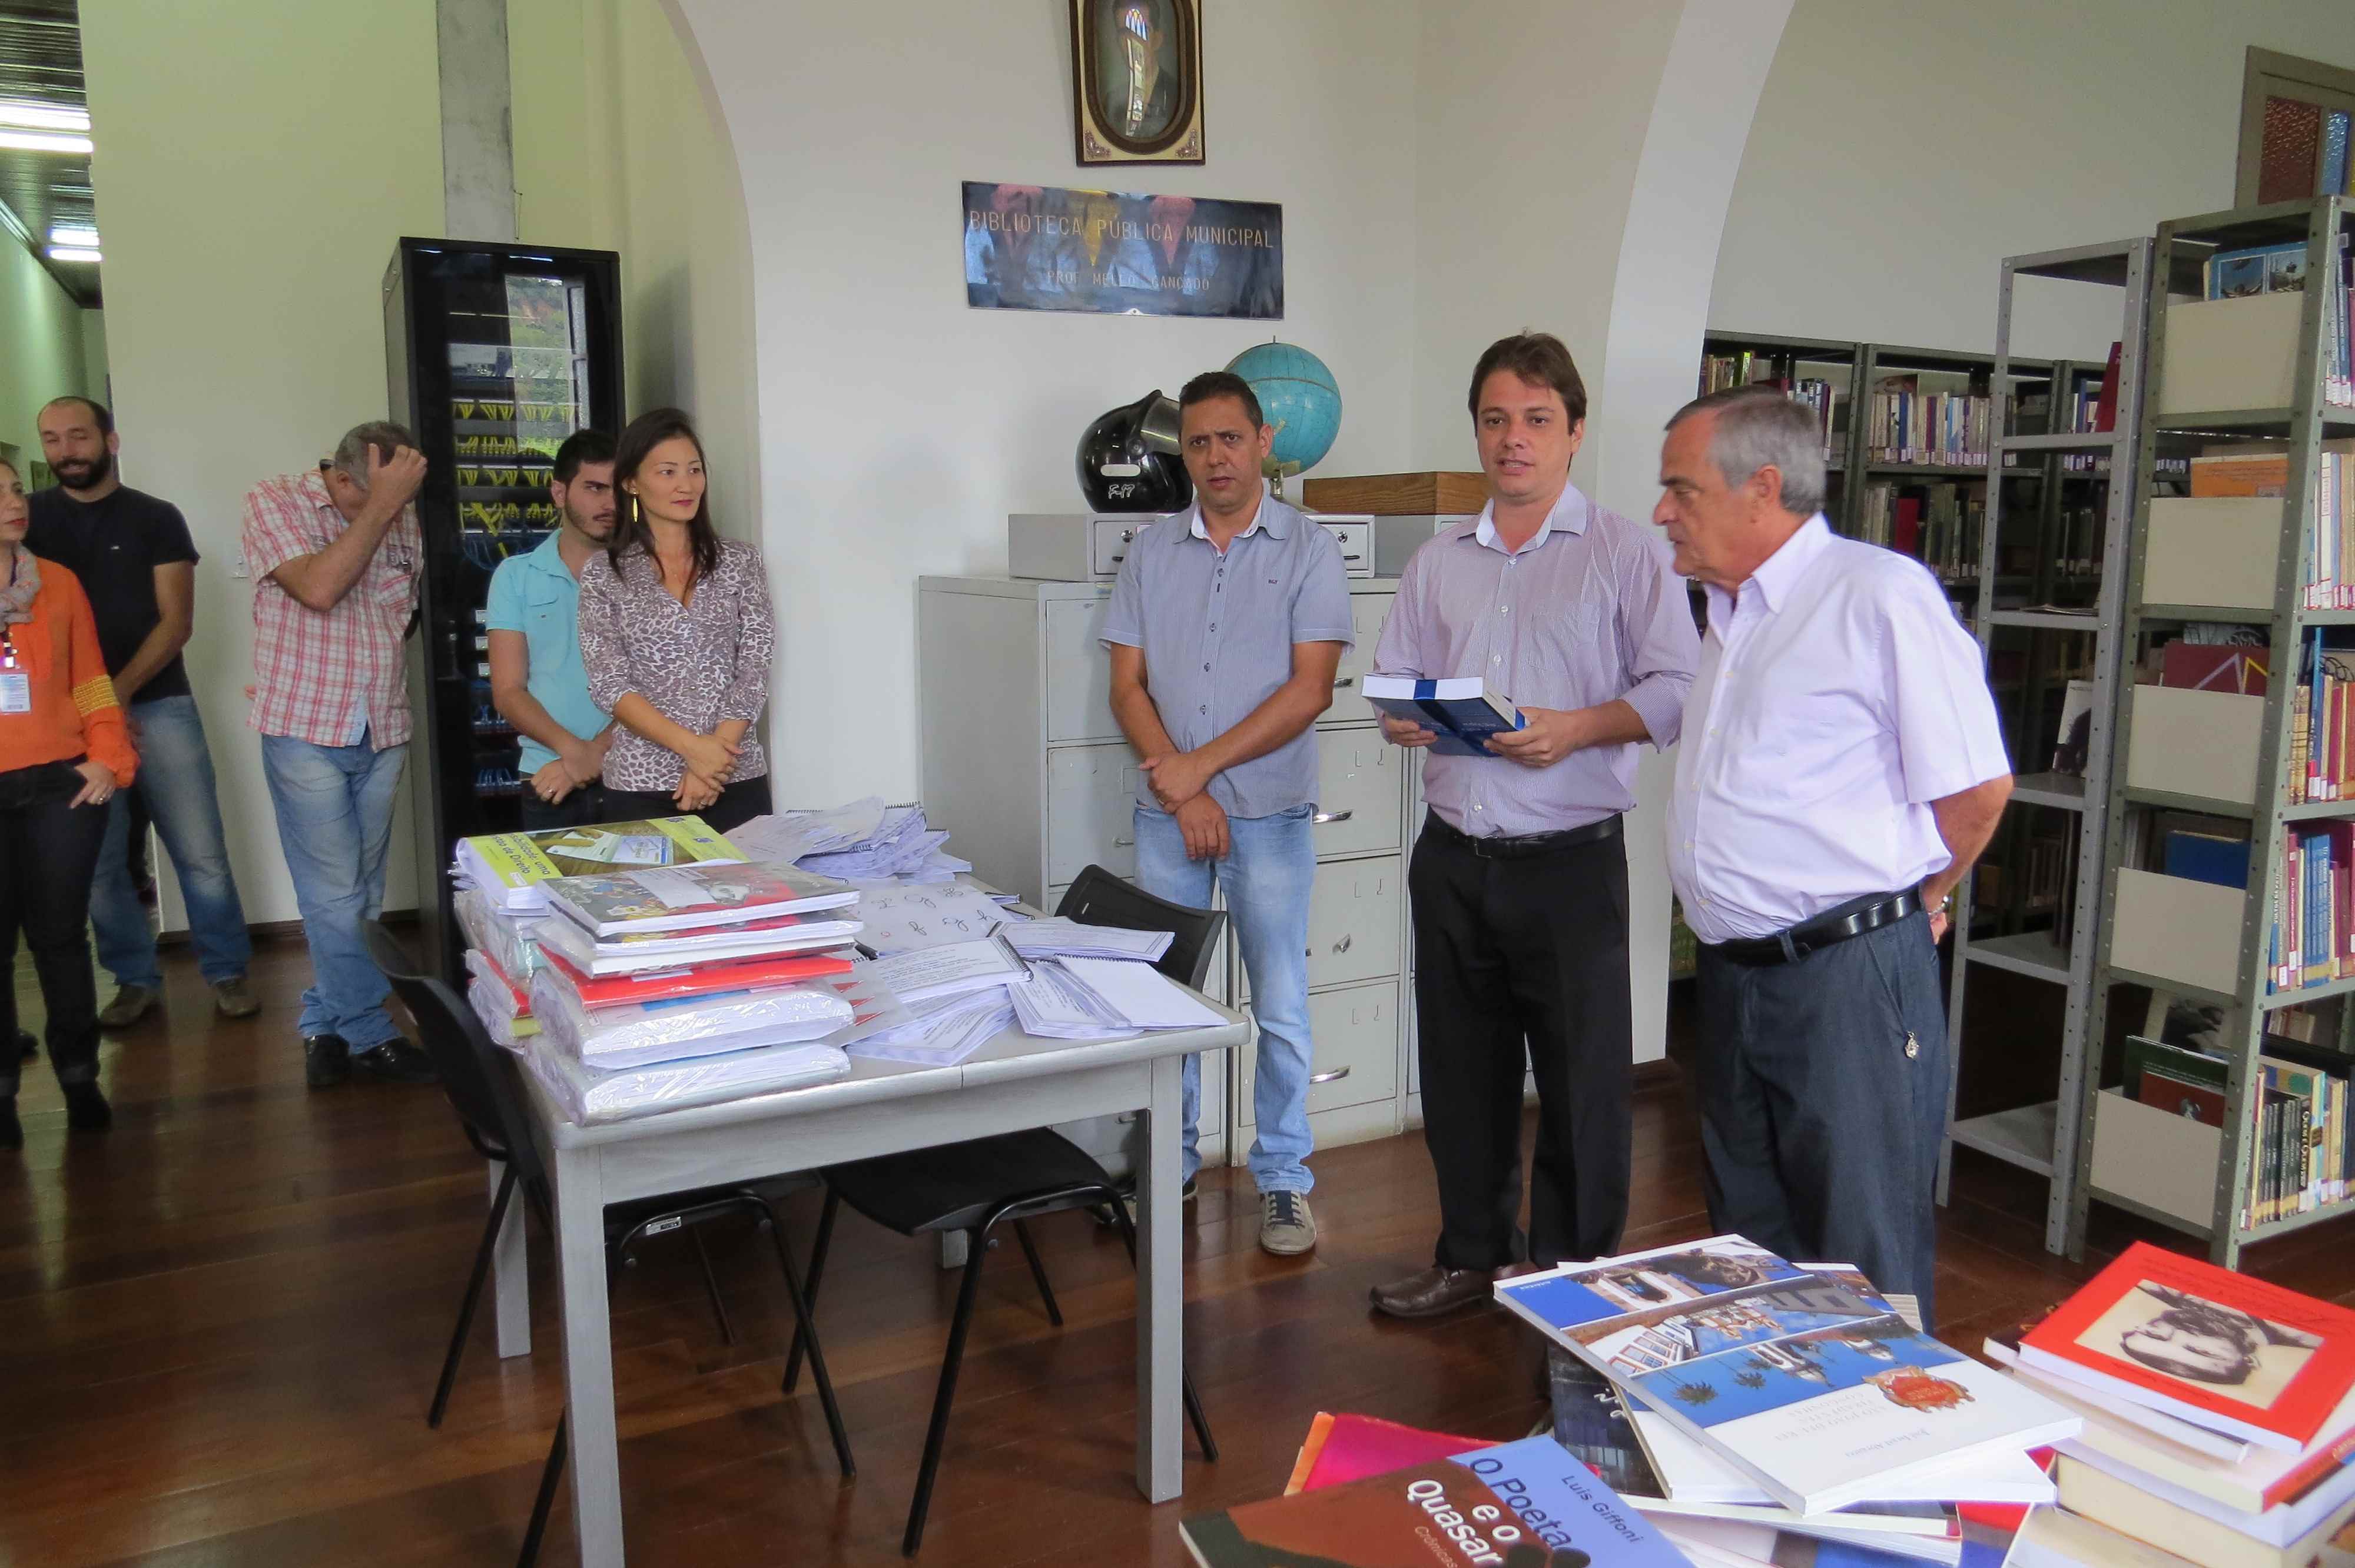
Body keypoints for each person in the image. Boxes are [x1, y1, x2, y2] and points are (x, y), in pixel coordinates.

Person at [1657, 386, 2012, 1324]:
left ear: (1762, 488)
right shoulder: (1728, 614)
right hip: (1733, 980)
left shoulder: (1876, 595)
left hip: (1847, 979)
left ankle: (1883, 1426)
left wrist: (1921, 900)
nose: (1663, 511)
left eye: (1681, 489)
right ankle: (1782, 1411)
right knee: (1750, 1251)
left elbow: (1978, 792)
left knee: (1864, 1254)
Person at [1369, 333, 1699, 1320]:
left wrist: (1578, 728)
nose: (1514, 438)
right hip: (1453, 860)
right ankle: (1472, 1256)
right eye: (1496, 419)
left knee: (1583, 1087)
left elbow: (1678, 688)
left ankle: (1574, 1285)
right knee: (1460, 1078)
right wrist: (1403, 714)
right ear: (1478, 431)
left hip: (1569, 865)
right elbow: (1396, 679)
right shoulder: (1438, 561)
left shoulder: (1628, 552)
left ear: (1575, 431)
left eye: (1537, 420)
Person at [1101, 368, 1354, 1255]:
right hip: (1170, 816)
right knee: (1167, 1002)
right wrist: (1187, 790)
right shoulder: (1150, 553)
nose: (1216, 457)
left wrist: (1198, 772)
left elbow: (1311, 690)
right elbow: (1126, 687)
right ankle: (1168, 1166)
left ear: (1263, 443)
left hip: (1271, 815)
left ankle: (1282, 1180)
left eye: (1231, 439)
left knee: (1279, 1004)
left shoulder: (1310, 550)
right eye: (1199, 442)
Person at [28, 395, 257, 1028]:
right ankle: (134, 980)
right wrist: (89, 709)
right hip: (72, 724)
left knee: (200, 852)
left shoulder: (155, 518)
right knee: (101, 865)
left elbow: (176, 623)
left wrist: (116, 694)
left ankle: (228, 972)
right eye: (52, 439)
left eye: (78, 436)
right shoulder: (29, 521)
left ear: (111, 441)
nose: (66, 451)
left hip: (159, 705)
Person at [244, 423, 440, 1089]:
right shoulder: (274, 500)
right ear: (346, 477)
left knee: (362, 893)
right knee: (333, 896)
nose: (398, 508)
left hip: (381, 725)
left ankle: (320, 1020)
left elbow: (400, 617)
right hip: (304, 728)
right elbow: (319, 589)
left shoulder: (400, 511)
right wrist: (382, 507)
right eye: (382, 494)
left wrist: (389, 504)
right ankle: (369, 1033)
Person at [0, 455, 134, 1147]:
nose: (14, 502)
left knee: (60, 937)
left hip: (60, 783)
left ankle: (80, 1077)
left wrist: (109, 756)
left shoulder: (57, 582)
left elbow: (90, 679)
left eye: (14, 489)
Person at [578, 408, 775, 835]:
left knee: (753, 881)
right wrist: (695, 750)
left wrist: (713, 761)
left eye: (694, 470)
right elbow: (610, 684)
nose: (686, 485)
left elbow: (755, 668)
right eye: (667, 472)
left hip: (736, 778)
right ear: (631, 482)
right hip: (641, 785)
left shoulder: (741, 561)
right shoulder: (604, 574)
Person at [486, 429, 618, 829]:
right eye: (594, 488)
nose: (610, 503)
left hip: (635, 771)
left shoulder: (646, 573)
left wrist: (595, 754)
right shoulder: (514, 576)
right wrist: (573, 753)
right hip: (548, 776)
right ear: (559, 493)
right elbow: (508, 691)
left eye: (618, 489)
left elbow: (661, 685)